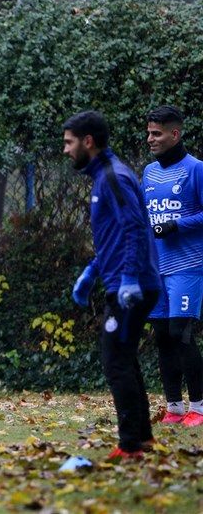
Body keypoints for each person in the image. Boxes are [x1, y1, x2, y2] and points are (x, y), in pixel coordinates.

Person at [64, 110, 160, 460]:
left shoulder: (113, 177)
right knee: (124, 358)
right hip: (120, 280)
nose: (65, 150)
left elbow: (135, 227)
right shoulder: (104, 176)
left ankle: (131, 445)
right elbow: (113, 238)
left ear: (88, 142)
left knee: (115, 360)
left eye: (69, 142)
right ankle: (142, 438)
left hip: (131, 286)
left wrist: (131, 277)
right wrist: (91, 272)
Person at [141, 105, 203, 427]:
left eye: (157, 133)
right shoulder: (149, 172)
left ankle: (199, 407)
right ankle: (175, 407)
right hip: (157, 267)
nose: (150, 138)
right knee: (163, 335)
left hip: (188, 266)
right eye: (149, 132)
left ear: (174, 134)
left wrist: (177, 225)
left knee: (181, 333)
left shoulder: (196, 170)